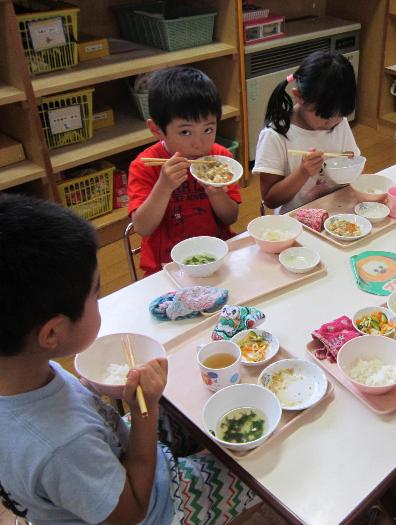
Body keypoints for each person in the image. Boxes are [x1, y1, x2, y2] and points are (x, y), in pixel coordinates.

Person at [0, 194, 258, 524]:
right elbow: (132, 512)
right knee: (253, 470)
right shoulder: (64, 447)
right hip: (155, 508)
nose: (99, 299)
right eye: (95, 293)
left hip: (110, 456)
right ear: (52, 334)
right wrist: (142, 412)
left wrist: (96, 394)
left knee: (195, 405)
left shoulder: (20, 370)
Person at [128, 67, 241, 276]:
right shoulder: (145, 165)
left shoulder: (221, 159)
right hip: (166, 266)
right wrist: (164, 186)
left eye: (208, 129)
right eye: (185, 131)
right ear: (156, 129)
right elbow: (142, 228)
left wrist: (216, 192)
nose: (199, 143)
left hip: (217, 255)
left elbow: (230, 217)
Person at [253, 50, 360, 213]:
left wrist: (349, 167)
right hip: (295, 221)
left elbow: (350, 174)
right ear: (298, 96)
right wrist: (302, 172)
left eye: (340, 115)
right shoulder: (276, 135)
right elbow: (270, 199)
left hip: (336, 213)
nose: (331, 123)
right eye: (325, 116)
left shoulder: (339, 123)